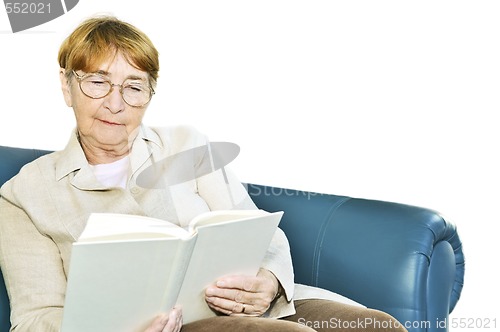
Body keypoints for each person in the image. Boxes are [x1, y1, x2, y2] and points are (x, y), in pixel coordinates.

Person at [0, 15, 407, 332]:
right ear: (67, 86)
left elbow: (262, 232)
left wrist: (269, 280)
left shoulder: (188, 144)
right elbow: (35, 319)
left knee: (376, 326)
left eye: (134, 86)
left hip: (252, 308)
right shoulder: (23, 195)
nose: (115, 103)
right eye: (98, 82)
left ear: (149, 94)